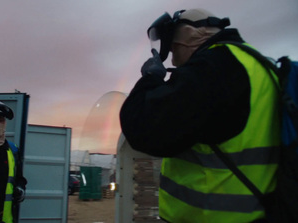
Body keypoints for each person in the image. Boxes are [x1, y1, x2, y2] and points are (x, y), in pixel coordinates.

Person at [119, 9, 280, 223]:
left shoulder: (213, 67)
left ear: (188, 35)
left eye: (174, 50)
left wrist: (149, 79)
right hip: (260, 212)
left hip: (213, 216)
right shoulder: (257, 63)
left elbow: (141, 127)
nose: (175, 64)